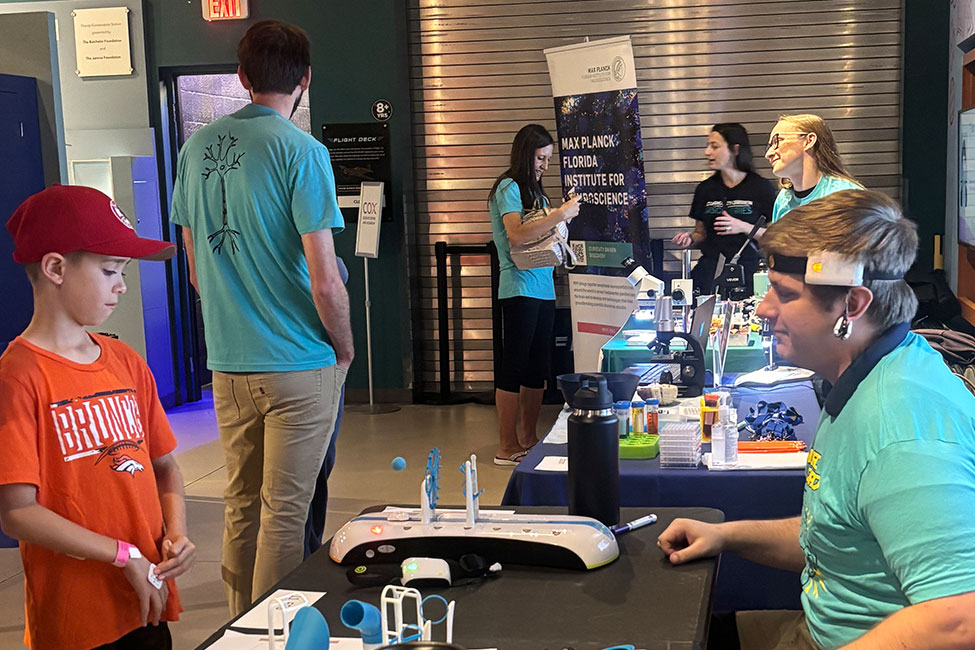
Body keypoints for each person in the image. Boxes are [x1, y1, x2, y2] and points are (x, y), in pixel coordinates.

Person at [657, 190, 975, 650]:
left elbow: (960, 617)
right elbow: (838, 539)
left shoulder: (902, 432)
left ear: (853, 306)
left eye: (784, 294)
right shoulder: (868, 373)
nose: (765, 309)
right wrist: (725, 535)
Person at [169, 20, 353, 615]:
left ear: (242, 77)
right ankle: (276, 630)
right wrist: (344, 349)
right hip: (299, 363)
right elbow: (326, 279)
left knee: (240, 503)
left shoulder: (194, 150)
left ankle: (238, 627)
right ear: (305, 78)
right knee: (285, 512)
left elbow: (196, 272)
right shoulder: (304, 152)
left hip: (227, 363)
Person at [0, 185, 196, 650]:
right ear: (54, 269)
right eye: (109, 270)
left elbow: (164, 466)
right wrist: (120, 555)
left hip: (146, 599)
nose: (122, 285)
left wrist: (178, 533)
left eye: (124, 271)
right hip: (76, 620)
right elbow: (18, 512)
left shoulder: (125, 361)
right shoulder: (19, 376)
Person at [488, 124, 580, 465]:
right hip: (518, 287)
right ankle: (505, 445)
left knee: (537, 368)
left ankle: (527, 437)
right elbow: (516, 235)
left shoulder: (537, 195)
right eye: (540, 158)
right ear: (526, 154)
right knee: (514, 365)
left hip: (543, 288)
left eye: (548, 159)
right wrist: (559, 214)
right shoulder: (508, 188)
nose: (544, 165)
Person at [672, 123, 776, 295]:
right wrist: (689, 239)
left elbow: (774, 237)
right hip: (711, 270)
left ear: (735, 149)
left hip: (749, 272)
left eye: (715, 146)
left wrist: (743, 227)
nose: (707, 152)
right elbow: (700, 233)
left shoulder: (761, 187)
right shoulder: (705, 189)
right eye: (708, 146)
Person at [766, 114, 862, 222]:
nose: (768, 154)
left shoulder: (846, 196)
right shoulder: (783, 199)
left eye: (777, 141)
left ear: (809, 141)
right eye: (769, 146)